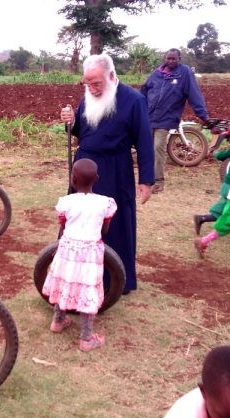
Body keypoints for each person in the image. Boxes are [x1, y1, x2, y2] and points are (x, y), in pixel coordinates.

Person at [59, 53, 155, 295]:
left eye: (96, 83)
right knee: (78, 221)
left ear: (112, 76)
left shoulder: (133, 100)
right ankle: (74, 277)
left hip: (115, 170)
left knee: (115, 224)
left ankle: (114, 281)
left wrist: (146, 180)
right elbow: (80, 130)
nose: (91, 89)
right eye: (87, 83)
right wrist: (69, 121)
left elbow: (145, 142)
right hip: (84, 167)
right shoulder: (88, 97)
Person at [42, 159, 117, 352]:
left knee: (64, 282)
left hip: (66, 249)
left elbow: (63, 227)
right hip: (90, 252)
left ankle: (58, 321)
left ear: (72, 179)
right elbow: (104, 230)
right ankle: (86, 338)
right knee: (87, 290)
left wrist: (59, 245)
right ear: (97, 179)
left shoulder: (66, 202)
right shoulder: (104, 203)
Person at [139, 49, 209, 193]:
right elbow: (144, 92)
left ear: (179, 59)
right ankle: (146, 179)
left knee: (158, 147)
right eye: (168, 58)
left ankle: (158, 182)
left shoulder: (184, 73)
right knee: (146, 149)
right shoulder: (156, 74)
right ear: (165, 58)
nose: (171, 61)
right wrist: (137, 110)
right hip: (148, 116)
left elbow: (194, 95)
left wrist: (204, 116)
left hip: (166, 118)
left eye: (174, 59)